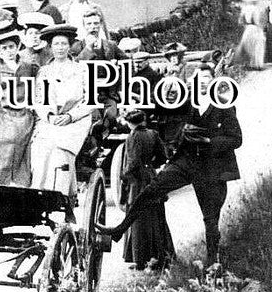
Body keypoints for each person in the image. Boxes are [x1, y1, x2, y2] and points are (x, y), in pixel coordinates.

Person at [101, 63, 242, 264]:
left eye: (207, 80)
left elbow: (236, 139)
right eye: (199, 80)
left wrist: (210, 142)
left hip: (211, 165)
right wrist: (135, 107)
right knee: (151, 191)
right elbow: (159, 104)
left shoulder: (224, 105)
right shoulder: (185, 101)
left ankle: (212, 264)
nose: (203, 84)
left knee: (210, 218)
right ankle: (118, 230)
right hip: (186, 160)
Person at [30, 24, 94, 198]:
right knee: (41, 150)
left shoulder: (82, 70)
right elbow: (37, 100)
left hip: (76, 121)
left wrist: (70, 116)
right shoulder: (44, 71)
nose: (60, 48)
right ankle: (40, 196)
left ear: (70, 46)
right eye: (56, 44)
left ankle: (62, 197)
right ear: (50, 47)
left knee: (61, 153)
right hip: (50, 121)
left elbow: (90, 101)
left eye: (63, 44)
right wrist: (49, 116)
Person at [0, 20, 36, 185]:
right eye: (4, 48)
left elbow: (38, 91)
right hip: (2, 117)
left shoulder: (29, 68)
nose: (8, 51)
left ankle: (21, 188)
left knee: (25, 152)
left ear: (17, 47)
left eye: (11, 47)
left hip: (24, 118)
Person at [119, 109, 175, 271]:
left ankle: (141, 260)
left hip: (137, 182)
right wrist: (151, 166)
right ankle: (162, 256)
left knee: (138, 219)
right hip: (151, 175)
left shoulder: (133, 137)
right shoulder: (153, 134)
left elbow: (133, 162)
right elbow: (163, 156)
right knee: (157, 216)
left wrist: (125, 176)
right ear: (143, 120)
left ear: (130, 123)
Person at [232, 0, 267, 70]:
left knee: (248, 46)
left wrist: (246, 25)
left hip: (247, 28)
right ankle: (258, 64)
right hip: (255, 28)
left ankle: (251, 64)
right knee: (258, 46)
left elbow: (240, 21)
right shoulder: (256, 9)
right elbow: (257, 21)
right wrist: (261, 29)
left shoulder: (244, 9)